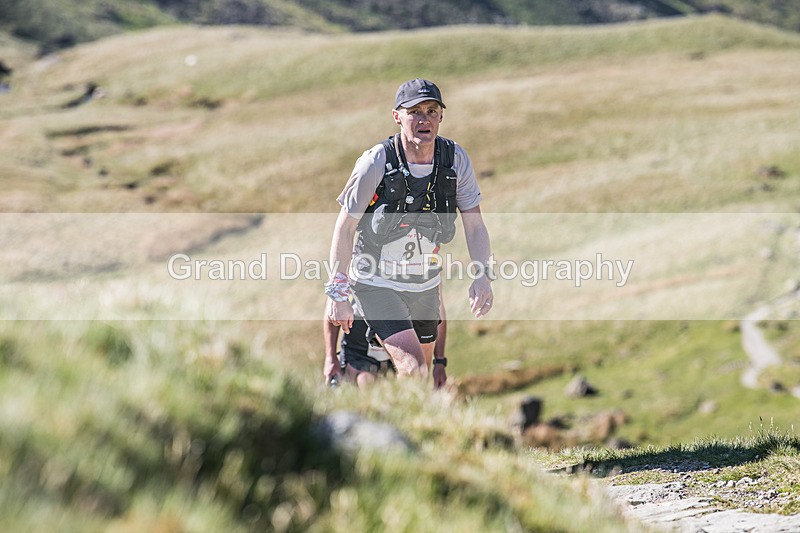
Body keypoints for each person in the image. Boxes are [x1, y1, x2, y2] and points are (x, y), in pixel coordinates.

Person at [325, 78, 493, 381]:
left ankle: (399, 424)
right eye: (414, 111)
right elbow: (345, 228)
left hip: (424, 285)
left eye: (431, 110)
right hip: (376, 281)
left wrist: (482, 274)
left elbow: (475, 225)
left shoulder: (455, 160)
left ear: (441, 116)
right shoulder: (376, 161)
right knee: (413, 368)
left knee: (421, 377)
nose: (423, 119)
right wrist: (337, 292)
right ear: (397, 116)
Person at [323, 286, 448, 389]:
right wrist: (331, 357)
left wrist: (439, 361)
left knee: (411, 386)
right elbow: (334, 304)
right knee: (363, 388)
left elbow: (438, 312)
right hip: (361, 334)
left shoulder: (427, 260)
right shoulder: (360, 257)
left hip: (404, 334)